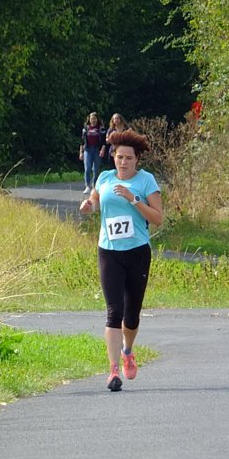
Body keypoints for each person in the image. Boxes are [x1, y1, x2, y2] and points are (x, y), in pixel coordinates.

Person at [80, 130, 163, 392]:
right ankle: (113, 371)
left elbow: (158, 218)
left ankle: (128, 351)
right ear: (113, 158)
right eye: (119, 157)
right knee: (113, 311)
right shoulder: (104, 178)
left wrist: (134, 198)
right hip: (109, 251)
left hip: (137, 251)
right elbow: (95, 201)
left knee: (132, 313)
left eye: (128, 158)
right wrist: (88, 207)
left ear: (136, 159)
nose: (123, 162)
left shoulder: (146, 181)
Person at [79, 112, 107, 194]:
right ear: (89, 119)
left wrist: (102, 149)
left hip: (97, 150)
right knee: (87, 168)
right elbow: (82, 141)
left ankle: (95, 186)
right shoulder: (86, 128)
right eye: (91, 118)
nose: (93, 120)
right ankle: (87, 185)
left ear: (97, 119)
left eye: (94, 118)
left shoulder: (101, 128)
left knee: (96, 169)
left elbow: (104, 141)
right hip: (88, 149)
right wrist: (81, 152)